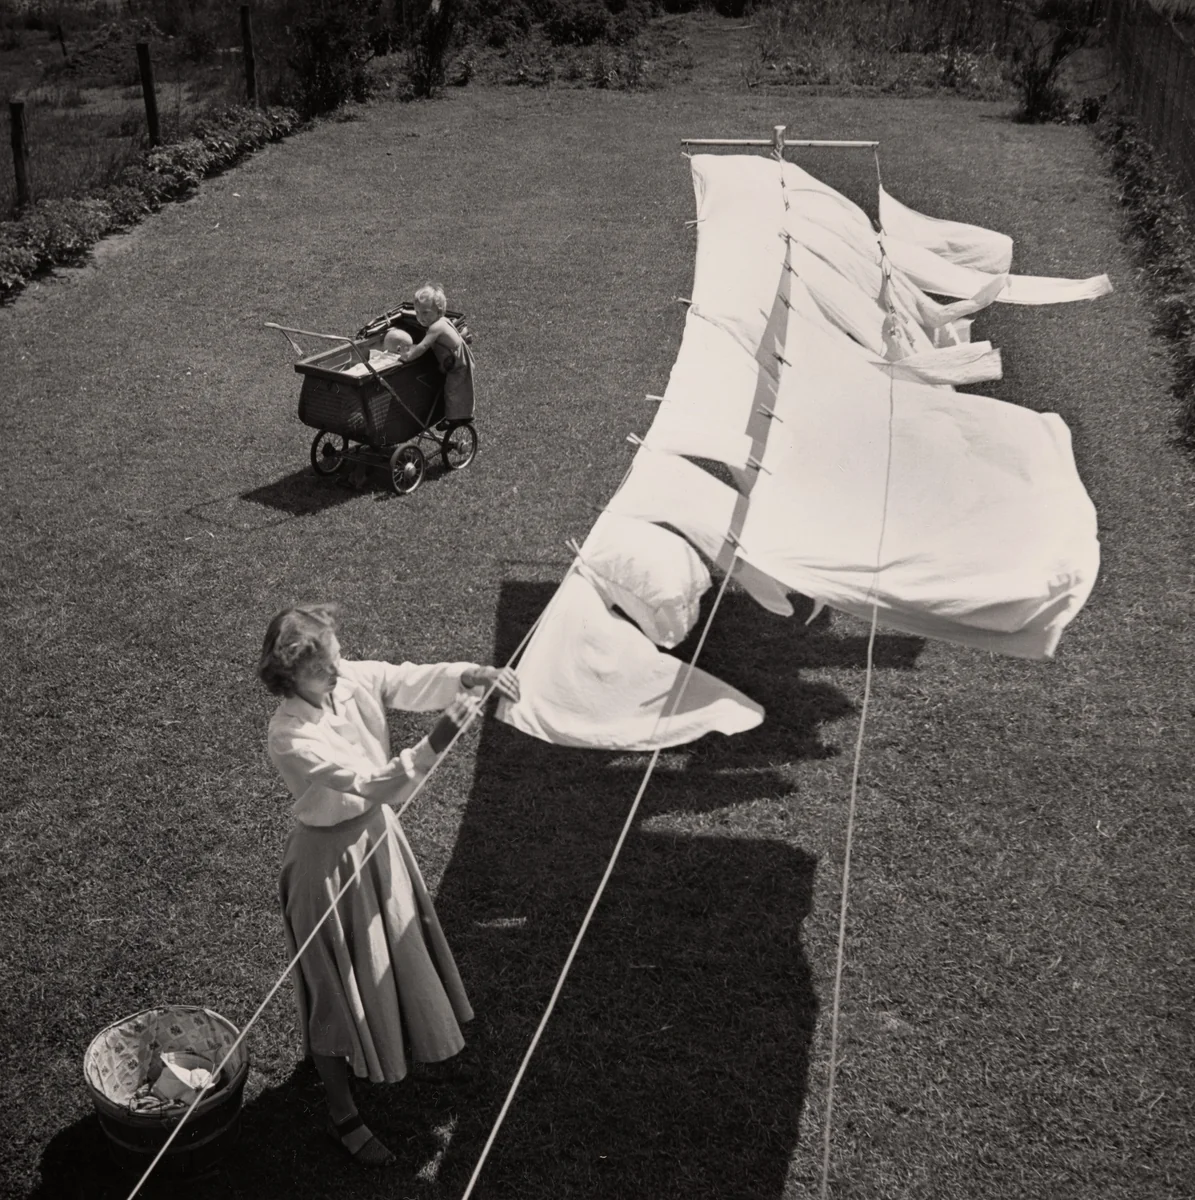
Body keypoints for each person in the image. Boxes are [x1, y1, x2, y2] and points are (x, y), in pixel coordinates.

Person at [258, 603, 519, 1168]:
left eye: (335, 655)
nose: (337, 669)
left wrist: (471, 674)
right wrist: (440, 735)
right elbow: (368, 782)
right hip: (326, 867)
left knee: (393, 954)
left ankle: (391, 1044)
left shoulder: (346, 676)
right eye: (322, 666)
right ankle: (342, 1114)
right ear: (288, 676)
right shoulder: (289, 736)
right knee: (333, 987)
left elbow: (405, 678)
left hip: (378, 844)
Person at [397, 282, 476, 427]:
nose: (421, 318)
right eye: (418, 313)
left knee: (453, 389)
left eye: (425, 313)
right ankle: (459, 414)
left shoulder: (436, 327)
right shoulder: (440, 322)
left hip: (458, 363)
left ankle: (455, 418)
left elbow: (424, 346)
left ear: (439, 311)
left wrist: (408, 357)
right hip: (451, 360)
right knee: (455, 388)